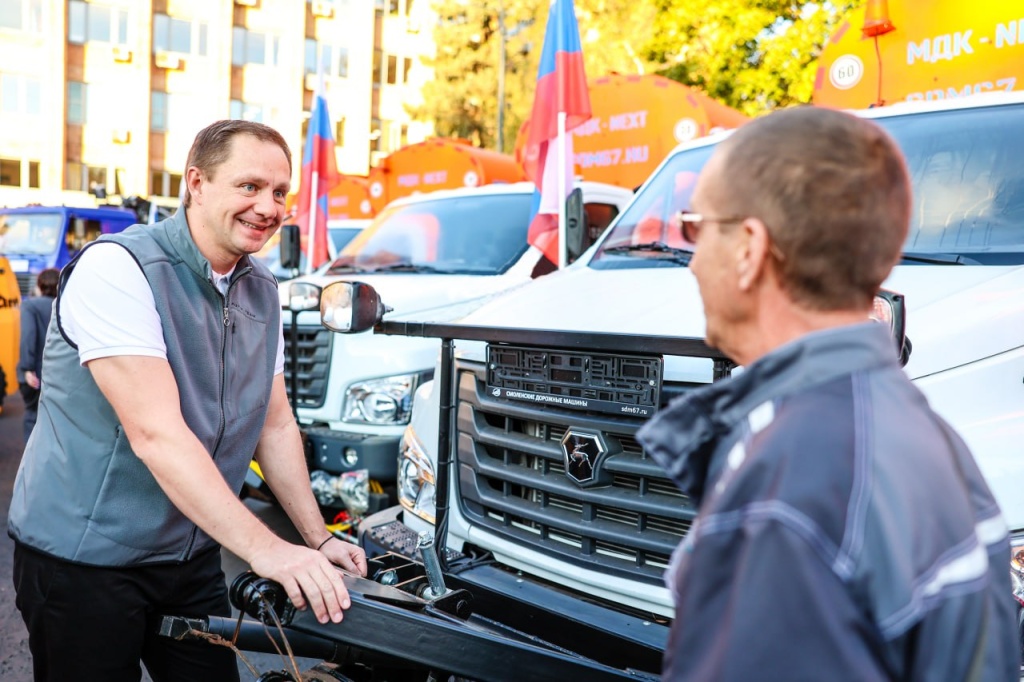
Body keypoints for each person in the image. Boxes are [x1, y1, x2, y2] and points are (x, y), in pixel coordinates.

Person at [635, 107, 1017, 681]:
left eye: (696, 228)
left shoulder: (787, 484)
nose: (689, 263)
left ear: (749, 248)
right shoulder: (913, 430)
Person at [8, 120, 367, 682]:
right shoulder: (118, 268)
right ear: (196, 183)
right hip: (87, 559)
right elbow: (157, 433)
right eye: (249, 186)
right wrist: (266, 549)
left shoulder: (261, 288)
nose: (268, 207)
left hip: (192, 551)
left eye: (279, 192)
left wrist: (317, 537)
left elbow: (273, 424)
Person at [17, 267, 59, 442]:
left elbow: (28, 336)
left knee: (32, 417)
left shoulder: (30, 306)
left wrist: (26, 368)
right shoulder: (64, 305)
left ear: (39, 285)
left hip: (35, 373)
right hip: (58, 375)